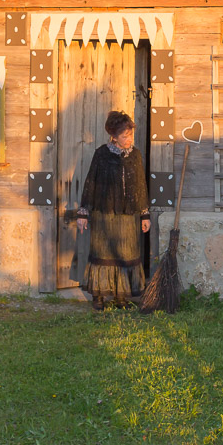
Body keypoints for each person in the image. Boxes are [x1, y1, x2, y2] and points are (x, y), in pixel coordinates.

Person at [74, 110, 151, 310]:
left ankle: (121, 297)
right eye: (125, 136)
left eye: (130, 135)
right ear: (114, 136)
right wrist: (83, 213)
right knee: (103, 253)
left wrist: (144, 214)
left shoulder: (135, 155)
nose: (129, 139)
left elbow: (140, 185)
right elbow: (91, 182)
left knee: (126, 253)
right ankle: (98, 296)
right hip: (104, 214)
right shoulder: (101, 154)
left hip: (128, 216)